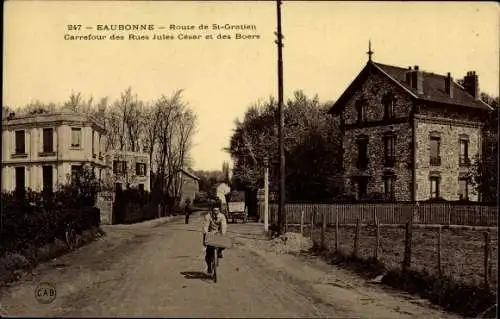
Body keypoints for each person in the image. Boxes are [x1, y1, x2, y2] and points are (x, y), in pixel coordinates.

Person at [202, 206, 227, 274]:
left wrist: (223, 233)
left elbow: (224, 226)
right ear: (212, 210)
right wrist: (206, 233)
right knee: (208, 253)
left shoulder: (222, 216)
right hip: (210, 233)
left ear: (219, 210)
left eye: (217, 210)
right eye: (214, 210)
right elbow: (206, 226)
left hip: (218, 233)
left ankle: (219, 251)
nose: (216, 212)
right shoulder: (208, 216)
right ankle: (209, 267)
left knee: (224, 243)